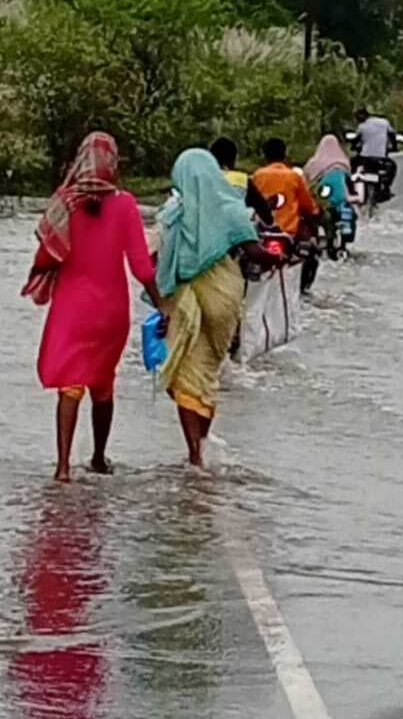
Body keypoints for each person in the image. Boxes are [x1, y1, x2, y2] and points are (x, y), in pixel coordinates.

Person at [21, 131, 164, 483]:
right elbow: (141, 267)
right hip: (110, 309)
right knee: (103, 385)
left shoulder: (65, 202)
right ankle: (99, 459)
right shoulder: (126, 204)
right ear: (113, 164)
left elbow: (46, 255)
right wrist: (162, 304)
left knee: (70, 384)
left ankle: (63, 467)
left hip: (71, 308)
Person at [155, 148, 276, 468]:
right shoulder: (232, 208)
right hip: (225, 296)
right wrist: (276, 257)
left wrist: (161, 303)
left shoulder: (173, 213)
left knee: (184, 372)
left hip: (187, 299)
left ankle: (194, 452)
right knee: (209, 369)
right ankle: (202, 445)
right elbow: (254, 251)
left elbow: (157, 259)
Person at [252, 138, 319, 239]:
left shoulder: (257, 176)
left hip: (262, 231)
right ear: (284, 155)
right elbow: (307, 205)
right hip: (288, 232)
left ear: (265, 156)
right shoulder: (294, 176)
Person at [210, 136, 274, 226]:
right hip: (239, 232)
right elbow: (262, 209)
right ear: (234, 158)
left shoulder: (204, 179)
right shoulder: (242, 179)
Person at [353, 107, 398, 194]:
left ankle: (353, 187)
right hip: (381, 157)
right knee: (392, 167)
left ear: (363, 115)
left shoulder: (361, 126)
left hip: (365, 157)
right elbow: (392, 134)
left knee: (352, 165)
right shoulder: (384, 122)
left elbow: (356, 140)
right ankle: (386, 187)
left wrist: (353, 146)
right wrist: (394, 146)